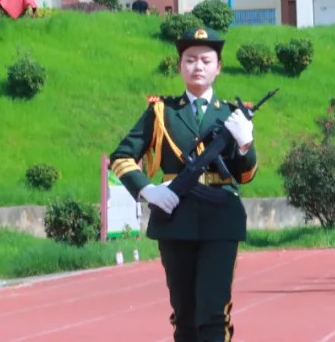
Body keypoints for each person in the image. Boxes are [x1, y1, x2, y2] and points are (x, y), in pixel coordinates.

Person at [110, 28, 258, 342]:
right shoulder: (161, 112)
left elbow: (245, 176)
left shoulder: (232, 115)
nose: (198, 66)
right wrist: (148, 190)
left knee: (214, 313)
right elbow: (121, 156)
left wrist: (245, 144)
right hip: (176, 216)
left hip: (220, 217)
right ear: (180, 66)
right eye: (190, 60)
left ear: (218, 67)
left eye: (206, 60)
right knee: (185, 315)